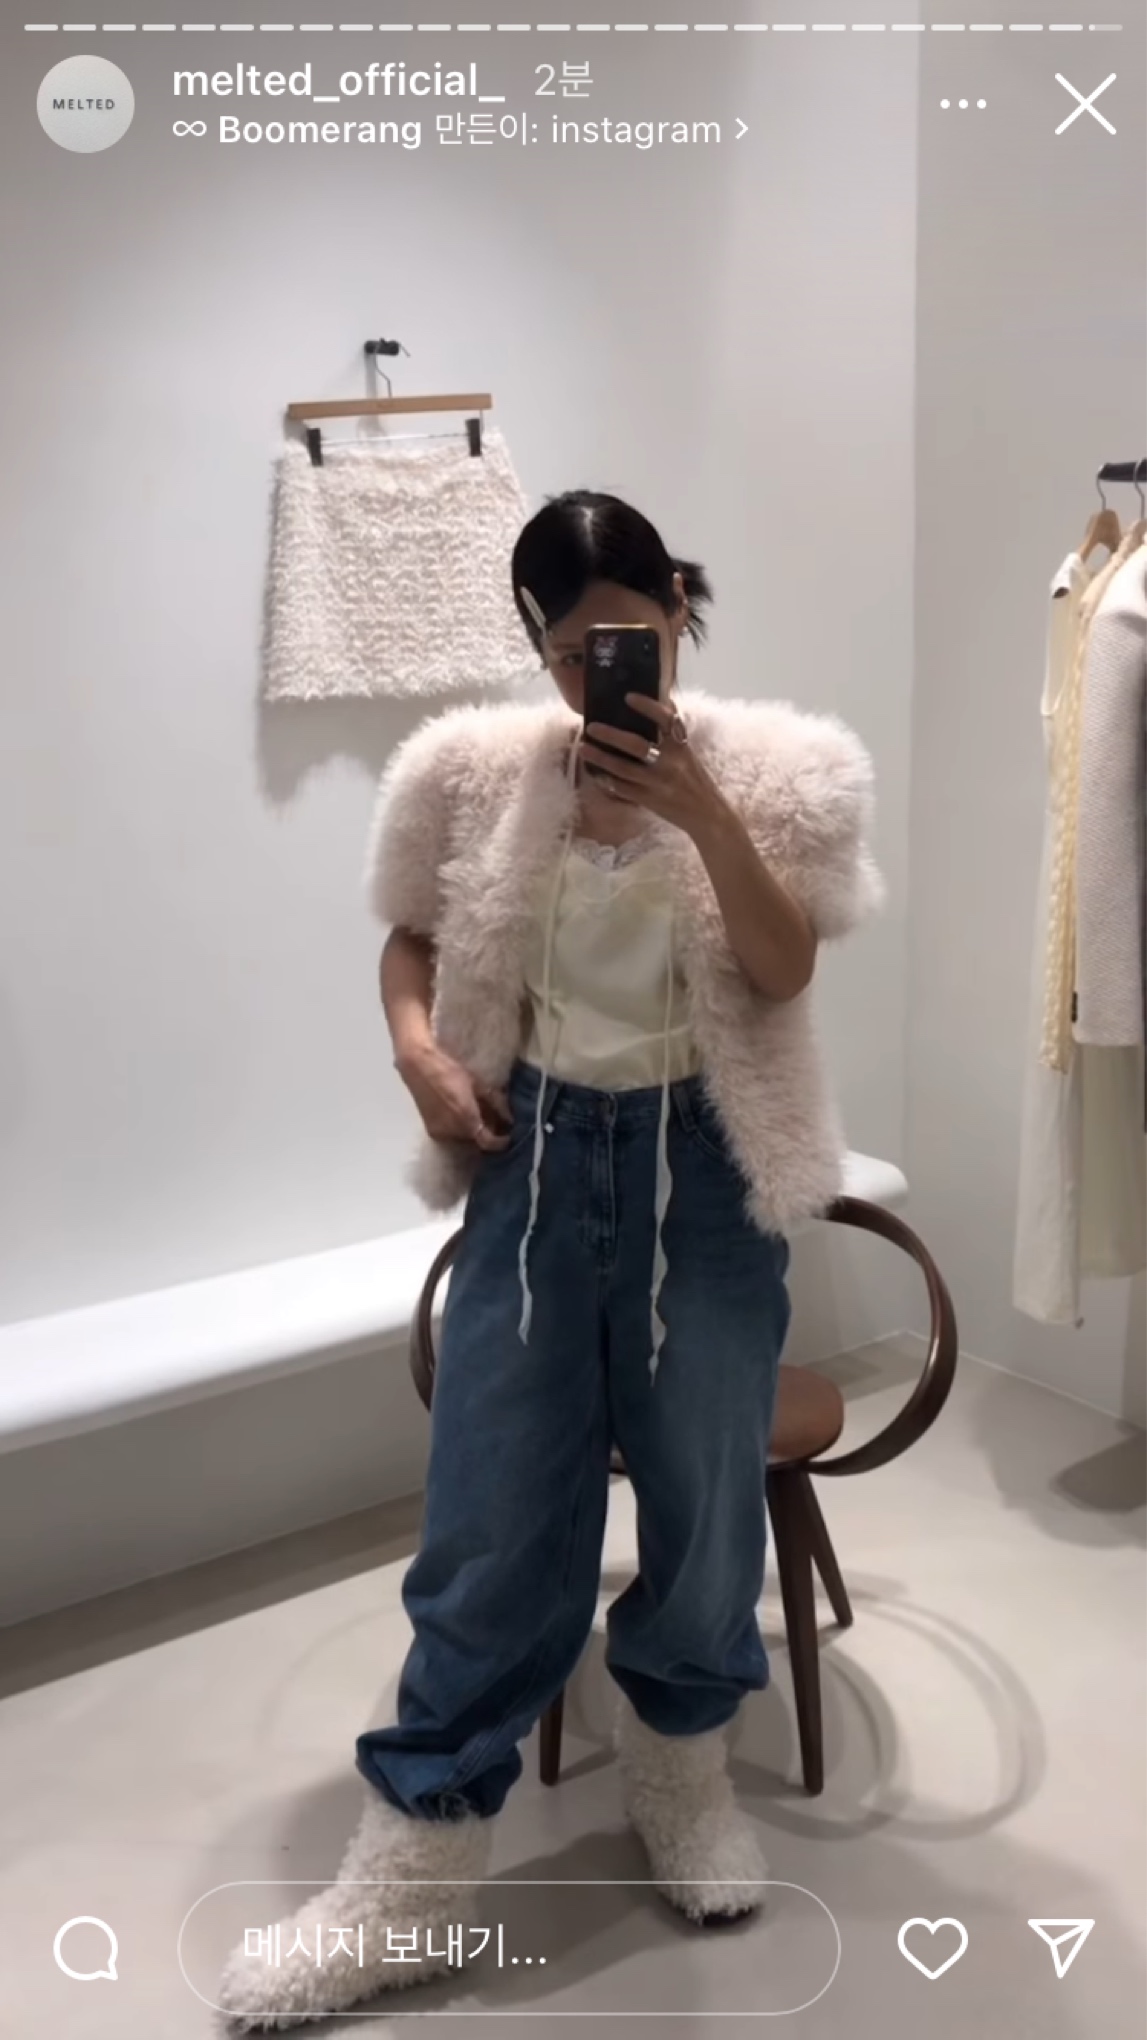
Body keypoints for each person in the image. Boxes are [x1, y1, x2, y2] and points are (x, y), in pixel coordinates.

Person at [218, 491, 883, 2030]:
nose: (602, 674)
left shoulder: (785, 772)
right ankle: (417, 1872)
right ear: (535, 645)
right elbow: (410, 940)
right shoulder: (466, 774)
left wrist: (701, 807)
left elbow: (783, 967)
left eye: (629, 637)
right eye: (573, 650)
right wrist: (416, 1054)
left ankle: (680, 1772)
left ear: (677, 610)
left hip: (702, 1173)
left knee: (707, 1505)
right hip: (536, 1157)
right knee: (492, 1508)